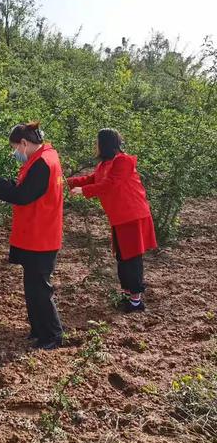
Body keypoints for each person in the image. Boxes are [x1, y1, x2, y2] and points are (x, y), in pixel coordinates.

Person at [0, 121, 64, 350]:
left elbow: (22, 195)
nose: (15, 153)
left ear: (24, 143)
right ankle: (39, 331)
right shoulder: (45, 158)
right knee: (33, 287)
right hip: (37, 233)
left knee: (40, 289)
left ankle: (52, 336)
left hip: (41, 235)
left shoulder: (43, 163)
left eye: (15, 147)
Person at [68, 128, 157, 313]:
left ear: (105, 143)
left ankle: (136, 301)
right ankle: (127, 296)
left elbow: (110, 184)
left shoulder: (122, 161)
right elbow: (93, 178)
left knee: (131, 257)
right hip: (120, 216)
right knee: (122, 257)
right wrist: (67, 182)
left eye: (97, 142)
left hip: (132, 215)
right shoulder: (105, 164)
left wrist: (84, 191)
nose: (95, 146)